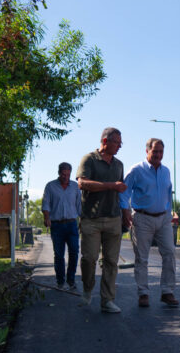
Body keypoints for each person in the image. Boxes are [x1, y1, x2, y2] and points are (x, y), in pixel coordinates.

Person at [121, 138, 179, 308]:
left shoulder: (166, 171)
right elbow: (124, 192)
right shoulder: (136, 170)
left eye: (161, 152)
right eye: (155, 152)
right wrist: (125, 211)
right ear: (147, 151)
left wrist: (168, 214)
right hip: (142, 218)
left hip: (163, 219)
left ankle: (167, 291)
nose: (158, 155)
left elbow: (168, 194)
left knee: (169, 253)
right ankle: (143, 293)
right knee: (142, 258)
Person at [76, 128, 127, 313]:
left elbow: (120, 191)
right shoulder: (89, 159)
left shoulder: (119, 165)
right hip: (91, 219)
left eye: (121, 143)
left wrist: (126, 212)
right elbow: (82, 183)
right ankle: (87, 289)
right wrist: (110, 185)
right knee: (89, 258)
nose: (120, 146)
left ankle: (107, 300)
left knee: (111, 262)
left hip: (113, 218)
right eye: (117, 142)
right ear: (105, 141)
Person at [42, 162, 82, 290]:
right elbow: (46, 204)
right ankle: (60, 281)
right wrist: (46, 218)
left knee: (74, 252)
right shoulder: (50, 186)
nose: (65, 177)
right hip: (57, 225)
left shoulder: (75, 187)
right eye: (63, 174)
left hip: (71, 224)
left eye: (68, 174)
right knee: (59, 255)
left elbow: (79, 206)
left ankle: (71, 280)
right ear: (59, 173)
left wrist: (83, 220)